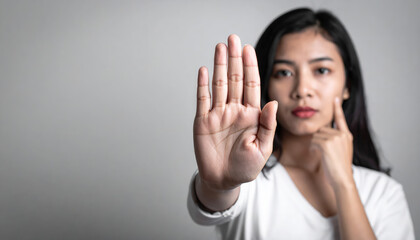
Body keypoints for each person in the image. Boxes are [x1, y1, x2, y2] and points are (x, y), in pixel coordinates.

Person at [187, 8, 415, 240]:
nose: (302, 90)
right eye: (284, 72)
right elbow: (212, 203)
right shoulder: (245, 176)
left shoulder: (384, 193)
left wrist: (344, 183)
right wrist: (219, 185)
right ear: (266, 84)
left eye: (322, 70)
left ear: (348, 85)